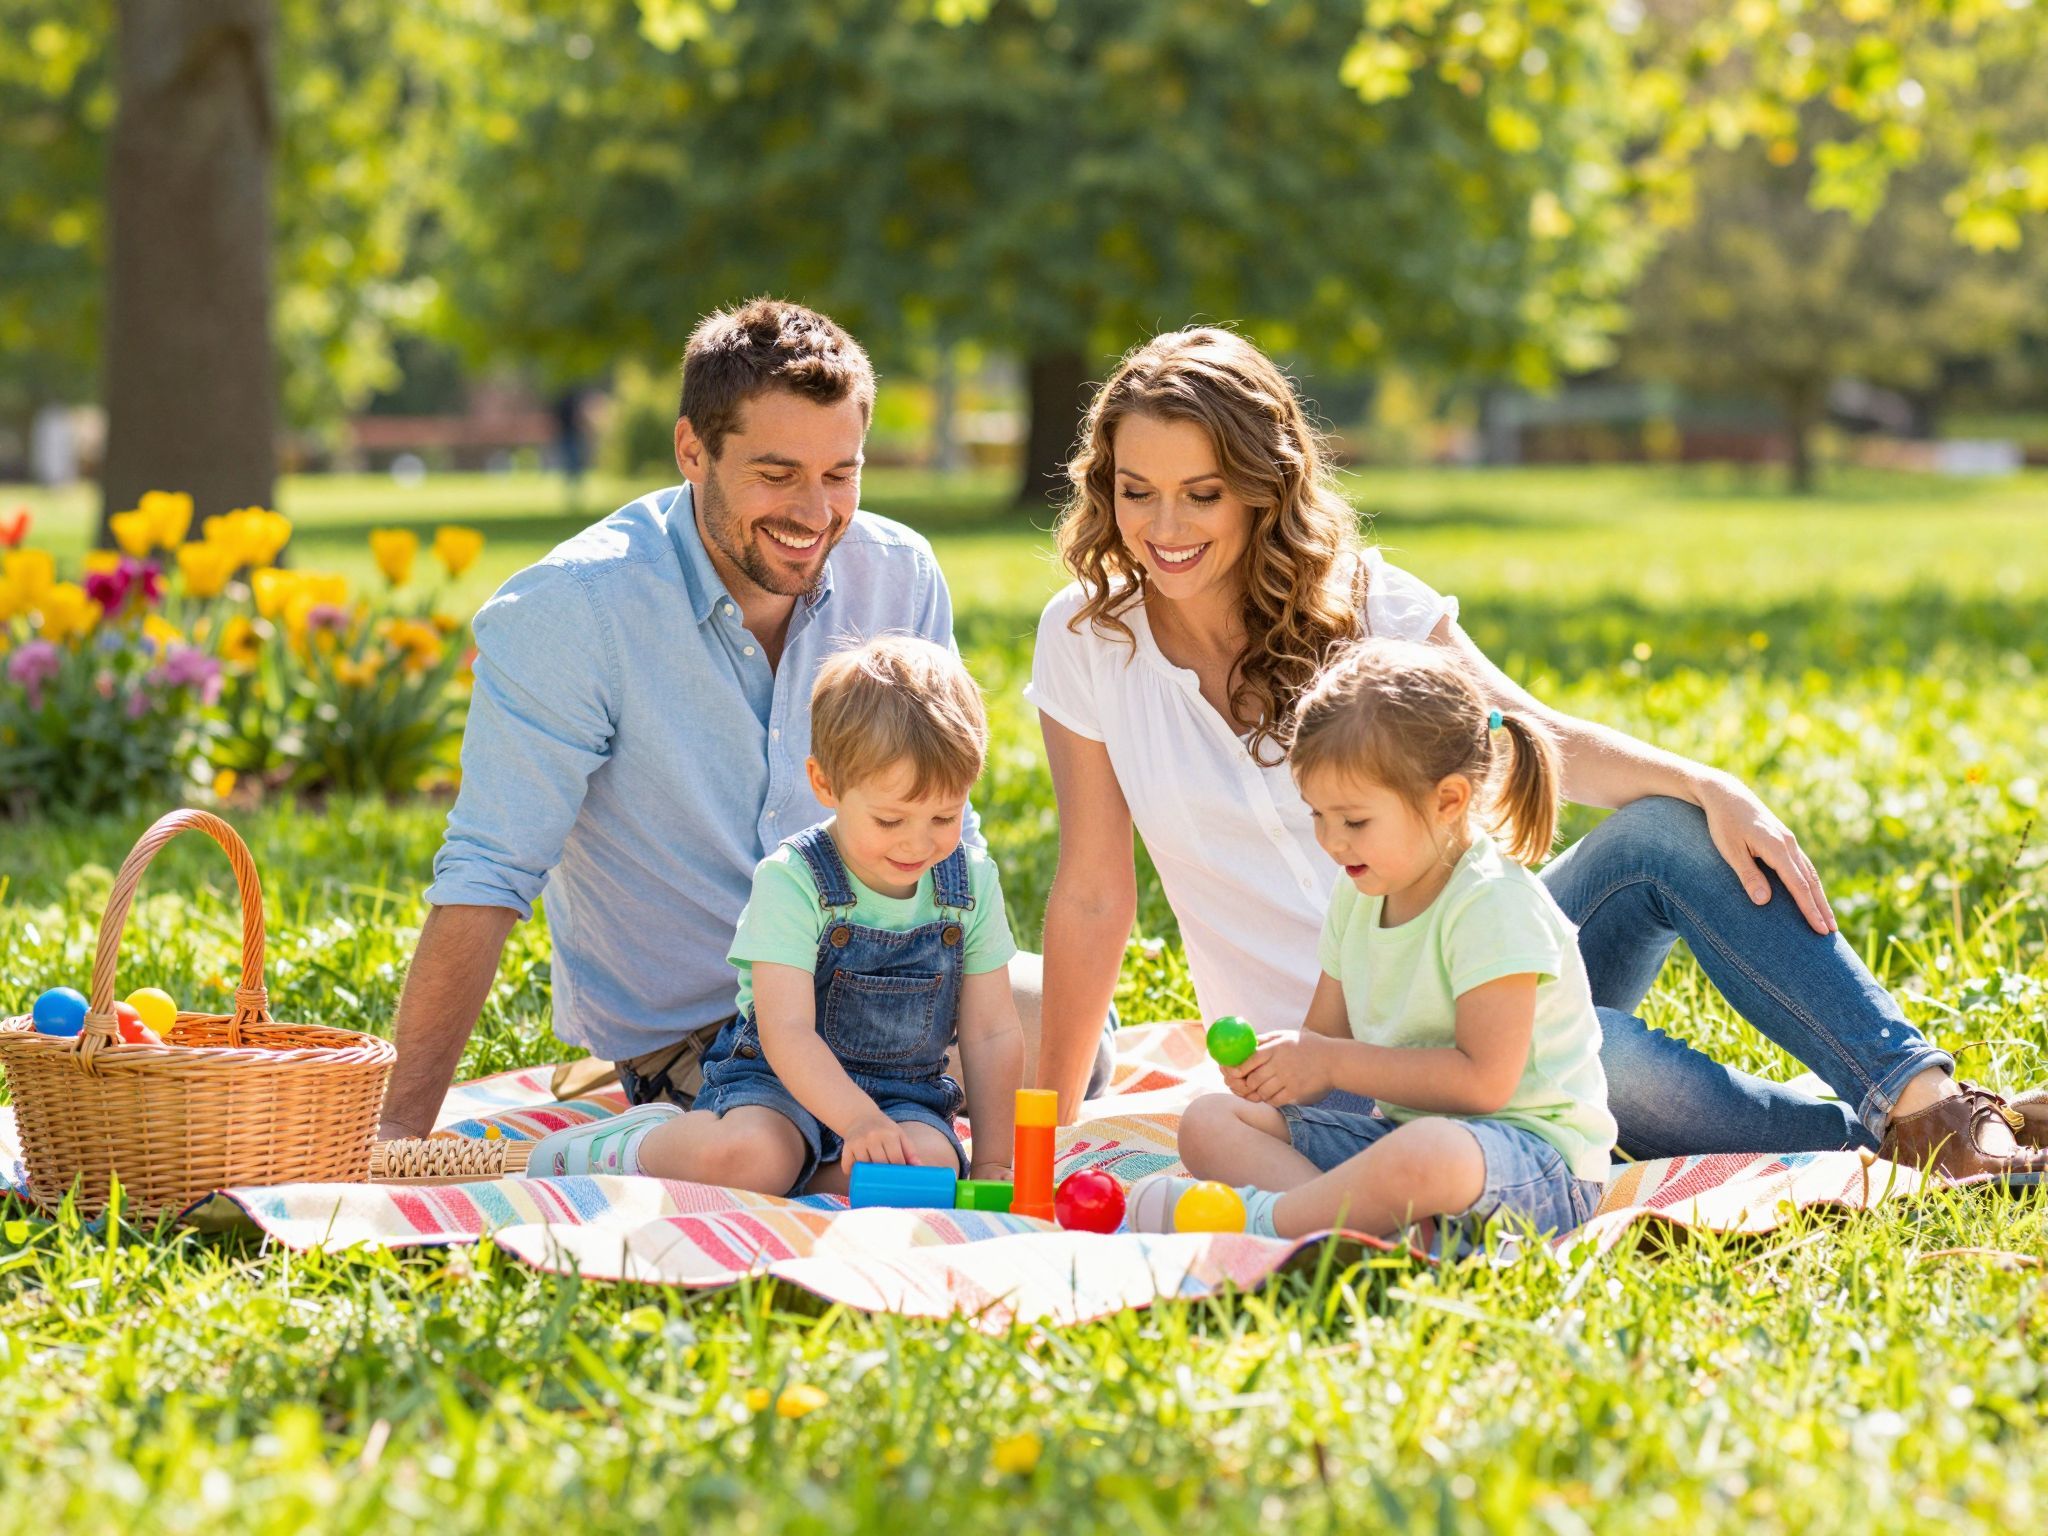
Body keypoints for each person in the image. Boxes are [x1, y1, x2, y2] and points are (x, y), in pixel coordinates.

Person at [1027, 325, 2046, 1183]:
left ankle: (1925, 1104)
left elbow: (1530, 737)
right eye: (1136, 491)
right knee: (1592, 1060)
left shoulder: (1364, 600)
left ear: (1261, 488)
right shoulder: (1085, 640)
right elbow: (1091, 894)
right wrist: (1047, 1131)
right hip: (1329, 1063)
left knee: (1669, 831)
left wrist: (1710, 785)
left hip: (1480, 962)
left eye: (1202, 494)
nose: (1164, 527)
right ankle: (1902, 1139)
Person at [377, 299, 1113, 1145]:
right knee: (776, 1149)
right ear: (692, 450)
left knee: (1071, 1038)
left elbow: (946, 822)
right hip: (705, 1028)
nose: (815, 512)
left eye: (840, 473)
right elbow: (488, 875)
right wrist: (396, 1132)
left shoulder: (899, 572)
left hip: (891, 978)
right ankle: (652, 1126)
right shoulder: (573, 610)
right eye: (777, 473)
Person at [1128, 639, 1612, 1243]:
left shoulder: (1491, 904)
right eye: (1317, 815)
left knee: (1428, 1150)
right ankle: (1376, 1234)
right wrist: (1282, 1070)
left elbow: (1484, 1084)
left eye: (1354, 821)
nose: (1332, 842)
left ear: (1448, 800)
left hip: (1536, 1165)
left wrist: (1330, 1061)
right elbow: (1326, 1041)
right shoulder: (1359, 892)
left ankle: (1268, 1223)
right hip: (1409, 1146)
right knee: (1210, 1121)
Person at [523, 637, 1024, 1192]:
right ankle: (636, 1147)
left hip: (902, 1096)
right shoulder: (794, 879)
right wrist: (857, 1120)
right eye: (890, 820)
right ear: (824, 783)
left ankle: (795, 1179)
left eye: (944, 816)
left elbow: (991, 1031)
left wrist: (994, 1161)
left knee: (929, 1171)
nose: (918, 843)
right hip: (777, 1084)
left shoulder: (969, 885)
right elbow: (786, 1031)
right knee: (752, 1156)